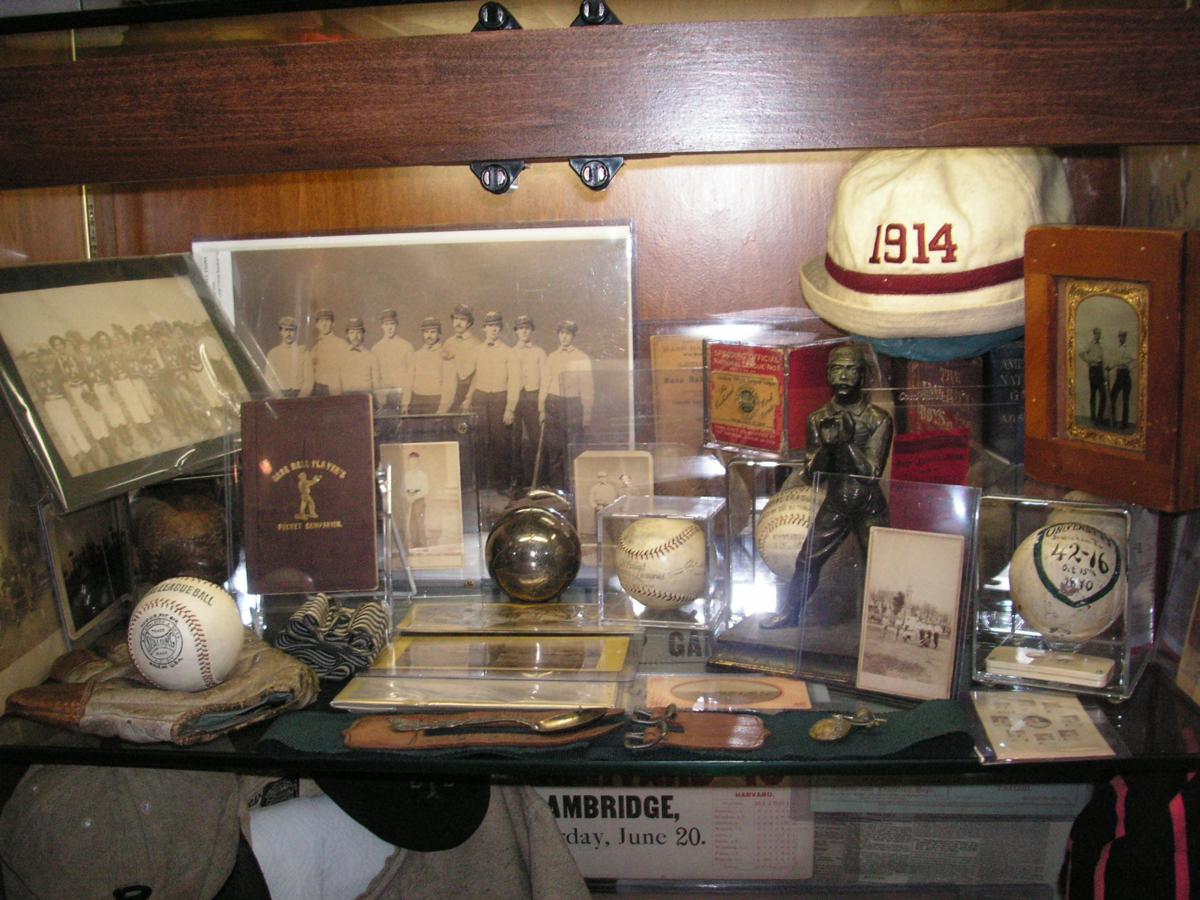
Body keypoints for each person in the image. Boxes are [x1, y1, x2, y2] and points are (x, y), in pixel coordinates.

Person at [762, 343, 893, 629]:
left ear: (863, 375)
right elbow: (812, 473)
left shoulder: (878, 418)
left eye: (850, 370)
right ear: (828, 375)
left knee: (881, 566)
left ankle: (886, 626)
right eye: (836, 369)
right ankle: (790, 614)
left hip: (869, 502)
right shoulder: (819, 418)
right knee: (807, 560)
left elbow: (871, 472)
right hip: (838, 499)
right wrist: (826, 446)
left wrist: (845, 444)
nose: (843, 376)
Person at [465, 311, 519, 494]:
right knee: (480, 440)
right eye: (490, 326)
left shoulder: (509, 352)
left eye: (496, 326)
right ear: (484, 328)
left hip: (500, 398)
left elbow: (514, 382)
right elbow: (469, 376)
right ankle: (481, 485)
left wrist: (510, 408)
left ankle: (502, 485)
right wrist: (468, 398)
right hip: (480, 399)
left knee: (500, 442)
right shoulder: (476, 350)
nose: (493, 329)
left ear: (500, 329)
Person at [539, 320, 593, 492]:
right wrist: (541, 409)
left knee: (572, 449)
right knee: (554, 449)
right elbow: (545, 384)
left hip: (573, 406)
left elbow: (587, 388)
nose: (564, 337)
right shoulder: (552, 357)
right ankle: (557, 490)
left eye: (568, 334)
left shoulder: (582, 357)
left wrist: (586, 415)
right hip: (553, 404)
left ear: (573, 336)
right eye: (561, 333)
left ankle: (572, 489)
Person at [509, 314, 545, 494]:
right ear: (516, 332)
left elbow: (545, 379)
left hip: (533, 396)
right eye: (520, 328)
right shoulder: (510, 352)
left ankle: (539, 480)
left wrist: (542, 406)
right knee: (514, 440)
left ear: (532, 331)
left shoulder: (539, 352)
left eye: (527, 328)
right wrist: (509, 407)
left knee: (536, 438)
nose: (524, 332)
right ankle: (517, 480)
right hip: (514, 396)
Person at [405, 318, 456, 415]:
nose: (429, 335)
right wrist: (405, 404)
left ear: (439, 333)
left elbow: (450, 386)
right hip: (416, 402)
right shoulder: (416, 355)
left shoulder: (446, 355)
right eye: (426, 332)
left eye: (433, 332)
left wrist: (442, 409)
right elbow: (408, 382)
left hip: (435, 402)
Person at [372, 308, 413, 410]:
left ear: (397, 325)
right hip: (383, 397)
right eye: (386, 324)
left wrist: (406, 401)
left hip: (402, 395)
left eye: (392, 324)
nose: (389, 328)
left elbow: (410, 376)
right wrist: (379, 398)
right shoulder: (376, 349)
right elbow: (376, 378)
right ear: (382, 326)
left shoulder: (406, 346)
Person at [266, 315, 313, 398]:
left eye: (292, 330)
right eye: (285, 330)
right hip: (280, 396)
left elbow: (309, 380)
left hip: (299, 396)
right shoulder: (273, 353)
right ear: (281, 331)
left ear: (296, 332)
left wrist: (300, 398)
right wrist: (280, 397)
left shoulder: (304, 352)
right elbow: (270, 379)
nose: (288, 334)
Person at [444, 303, 480, 412]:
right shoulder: (448, 342)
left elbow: (477, 376)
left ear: (469, 323)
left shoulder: (476, 344)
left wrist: (469, 398)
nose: (458, 323)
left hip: (466, 391)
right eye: (456, 319)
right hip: (448, 392)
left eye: (463, 320)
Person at [338, 317, 381, 400]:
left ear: (363, 334)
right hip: (346, 400)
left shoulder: (371, 357)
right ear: (347, 335)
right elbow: (338, 384)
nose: (355, 336)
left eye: (358, 332)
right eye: (352, 332)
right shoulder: (341, 357)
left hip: (365, 400)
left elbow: (377, 385)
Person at [311, 308, 348, 396]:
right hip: (317, 389)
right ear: (317, 325)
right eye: (321, 321)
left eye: (327, 320)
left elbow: (346, 371)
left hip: (335, 389)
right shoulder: (315, 348)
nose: (324, 324)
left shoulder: (341, 344)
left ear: (333, 323)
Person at [1108, 328, 1135, 431]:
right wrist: (1110, 367)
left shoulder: (1129, 348)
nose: (1121, 338)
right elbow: (1116, 362)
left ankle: (1124, 424)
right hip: (1118, 375)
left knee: (1125, 400)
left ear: (1125, 337)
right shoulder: (1118, 348)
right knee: (1112, 396)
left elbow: (1136, 360)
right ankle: (1113, 420)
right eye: (1120, 336)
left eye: (1123, 336)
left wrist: (1129, 368)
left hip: (1125, 375)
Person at [1079, 326, 1107, 426]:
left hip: (1099, 370)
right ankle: (1093, 417)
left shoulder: (1100, 346)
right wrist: (1089, 361)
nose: (1099, 335)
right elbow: (1081, 353)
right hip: (1093, 371)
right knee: (1093, 394)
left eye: (1100, 334)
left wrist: (1104, 375)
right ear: (1094, 334)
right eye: (1097, 333)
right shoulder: (1090, 344)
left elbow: (1102, 362)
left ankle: (1099, 418)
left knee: (1103, 396)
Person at [403, 450, 429, 549]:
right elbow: (404, 488)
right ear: (408, 462)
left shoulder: (422, 475)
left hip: (419, 500)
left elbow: (425, 490)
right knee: (411, 523)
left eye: (415, 461)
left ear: (418, 462)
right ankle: (415, 544)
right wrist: (408, 496)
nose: (413, 464)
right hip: (409, 500)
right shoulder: (406, 475)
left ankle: (423, 544)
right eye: (411, 461)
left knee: (419, 522)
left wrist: (414, 497)